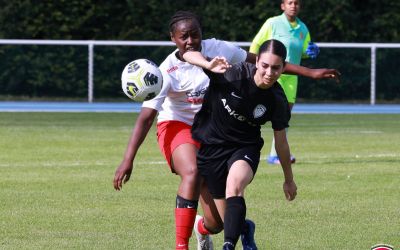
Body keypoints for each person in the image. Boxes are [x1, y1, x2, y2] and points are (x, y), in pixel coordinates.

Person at [113, 10, 338, 250]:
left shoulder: (219, 48)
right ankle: (181, 246)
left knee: (218, 223)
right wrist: (128, 159)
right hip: (178, 125)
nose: (190, 41)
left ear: (202, 34)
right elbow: (146, 118)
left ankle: (207, 229)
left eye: (195, 35)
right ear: (173, 38)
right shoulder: (166, 71)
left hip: (212, 131)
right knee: (192, 172)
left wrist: (310, 72)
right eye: (183, 37)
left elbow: (262, 62)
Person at [183, 39, 297, 249]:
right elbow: (187, 55)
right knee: (221, 222)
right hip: (212, 148)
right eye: (265, 65)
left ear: (283, 68)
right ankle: (244, 228)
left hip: (245, 147)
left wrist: (288, 179)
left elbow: (281, 142)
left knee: (234, 187)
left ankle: (228, 246)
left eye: (276, 68)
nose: (269, 72)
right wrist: (207, 64)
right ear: (257, 62)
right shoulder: (231, 73)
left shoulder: (277, 99)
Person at [249, 0, 326, 165]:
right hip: (269, 74)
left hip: (291, 78)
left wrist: (311, 51)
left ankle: (275, 155)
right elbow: (256, 45)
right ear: (282, 6)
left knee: (283, 116)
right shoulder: (273, 23)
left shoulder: (303, 28)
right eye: (290, 2)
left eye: (297, 3)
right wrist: (251, 67)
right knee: (254, 110)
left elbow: (304, 50)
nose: (293, 6)